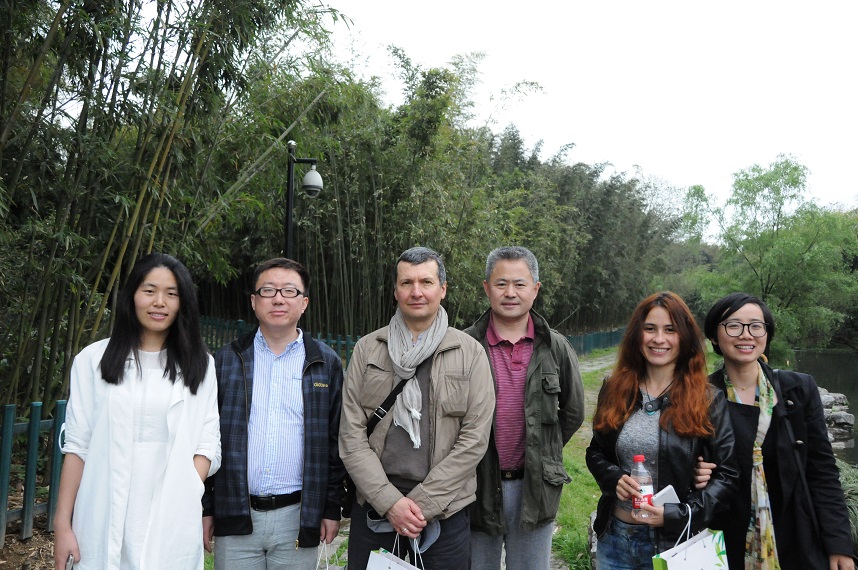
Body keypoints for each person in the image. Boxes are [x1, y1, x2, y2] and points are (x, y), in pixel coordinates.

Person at [53, 253, 221, 569]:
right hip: (102, 510)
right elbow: (77, 446)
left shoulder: (201, 365)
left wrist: (185, 489)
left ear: (183, 302)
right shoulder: (93, 360)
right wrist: (62, 524)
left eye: (171, 293)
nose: (159, 302)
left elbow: (207, 442)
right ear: (132, 296)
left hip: (171, 515)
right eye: (149, 290)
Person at [339, 246, 495, 570]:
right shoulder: (369, 349)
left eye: (426, 282)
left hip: (446, 510)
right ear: (395, 290)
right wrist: (389, 502)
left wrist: (422, 503)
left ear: (443, 289)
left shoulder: (469, 353)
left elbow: (474, 440)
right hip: (376, 507)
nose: (416, 292)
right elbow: (351, 435)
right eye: (406, 283)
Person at [202, 257, 346, 569]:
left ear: (304, 303)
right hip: (236, 513)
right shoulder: (226, 360)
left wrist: (331, 507)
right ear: (254, 301)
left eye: (289, 291)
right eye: (268, 290)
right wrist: (206, 507)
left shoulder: (325, 363)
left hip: (297, 515)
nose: (278, 299)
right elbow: (206, 438)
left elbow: (335, 442)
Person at [694, 293, 855, 569]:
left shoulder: (798, 389)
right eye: (733, 325)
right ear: (713, 336)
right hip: (726, 540)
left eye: (756, 326)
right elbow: (683, 463)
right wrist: (695, 473)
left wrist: (839, 545)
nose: (746, 334)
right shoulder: (699, 397)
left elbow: (822, 472)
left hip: (796, 536)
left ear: (766, 334)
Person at [586, 291, 738, 569]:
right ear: (637, 334)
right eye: (650, 329)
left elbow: (727, 476)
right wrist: (613, 478)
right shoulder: (615, 388)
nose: (659, 339)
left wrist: (677, 514)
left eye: (670, 330)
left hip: (675, 544)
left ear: (684, 337)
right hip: (615, 539)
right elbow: (596, 452)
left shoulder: (707, 399)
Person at [463, 246, 585, 570]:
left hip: (535, 487)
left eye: (520, 284)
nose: (510, 293)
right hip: (476, 485)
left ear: (535, 289)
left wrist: (542, 450)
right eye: (501, 283)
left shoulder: (555, 347)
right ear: (486, 288)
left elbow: (573, 411)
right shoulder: (464, 345)